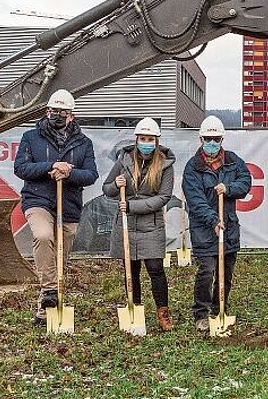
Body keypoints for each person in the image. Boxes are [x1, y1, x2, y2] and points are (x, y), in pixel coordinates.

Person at [14, 89, 98, 327]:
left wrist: (68, 172)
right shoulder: (31, 137)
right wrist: (51, 166)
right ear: (47, 111)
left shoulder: (84, 143)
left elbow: (91, 174)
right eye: (53, 111)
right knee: (43, 236)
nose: (57, 115)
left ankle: (47, 306)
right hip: (38, 199)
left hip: (68, 204)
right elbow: (21, 168)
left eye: (62, 112)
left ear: (72, 115)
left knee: (61, 252)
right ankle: (49, 292)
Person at [102, 118, 176, 331]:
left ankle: (163, 312)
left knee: (155, 268)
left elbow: (163, 197)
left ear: (156, 140)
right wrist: (116, 185)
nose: (146, 142)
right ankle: (134, 309)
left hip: (151, 224)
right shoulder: (124, 160)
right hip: (126, 224)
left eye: (150, 139)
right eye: (142, 138)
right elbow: (106, 189)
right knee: (130, 269)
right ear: (136, 139)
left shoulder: (165, 164)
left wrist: (133, 206)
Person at [182, 115, 252, 332]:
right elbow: (195, 200)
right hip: (204, 229)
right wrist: (213, 220)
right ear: (201, 139)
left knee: (226, 272)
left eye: (216, 139)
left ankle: (219, 307)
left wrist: (228, 188)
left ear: (222, 139)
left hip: (229, 226)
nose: (212, 143)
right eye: (208, 139)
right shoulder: (193, 167)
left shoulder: (233, 161)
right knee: (207, 270)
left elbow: (246, 182)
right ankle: (201, 312)